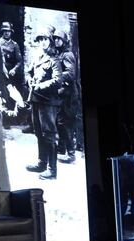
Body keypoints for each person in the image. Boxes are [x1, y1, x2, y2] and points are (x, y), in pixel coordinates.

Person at [25, 27, 62, 180]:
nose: (42, 42)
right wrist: (30, 79)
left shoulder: (54, 60)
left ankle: (52, 170)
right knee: (39, 132)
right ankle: (41, 163)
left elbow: (58, 80)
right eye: (40, 40)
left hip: (47, 102)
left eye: (45, 39)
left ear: (50, 41)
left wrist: (41, 85)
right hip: (35, 100)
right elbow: (29, 71)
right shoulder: (38, 57)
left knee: (49, 135)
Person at [54, 30, 78, 164]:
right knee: (60, 121)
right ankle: (61, 149)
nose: (57, 41)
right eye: (55, 39)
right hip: (62, 93)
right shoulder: (59, 54)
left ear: (64, 40)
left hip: (69, 95)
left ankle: (71, 153)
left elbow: (70, 74)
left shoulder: (68, 55)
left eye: (59, 39)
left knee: (66, 123)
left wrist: (56, 77)